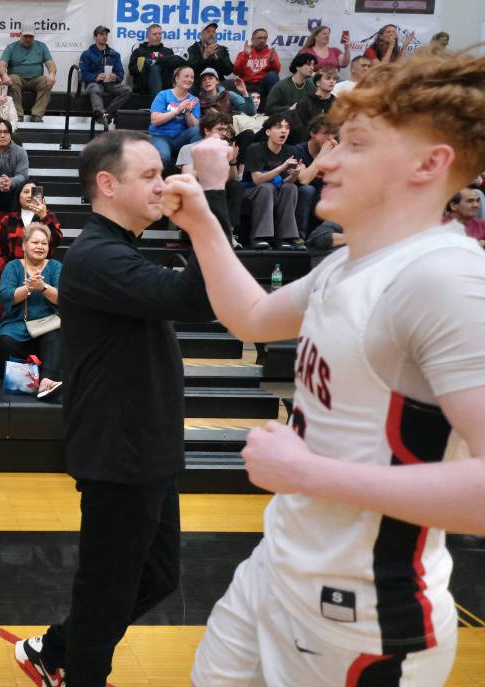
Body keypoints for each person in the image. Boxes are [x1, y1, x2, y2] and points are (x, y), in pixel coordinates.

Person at [167, 50, 485, 686]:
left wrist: (312, 472)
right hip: (277, 569)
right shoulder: (350, 263)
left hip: (364, 621)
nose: (329, 160)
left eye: (356, 145)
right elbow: (252, 317)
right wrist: (204, 215)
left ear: (430, 163)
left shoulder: (444, 279)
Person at [13, 129, 221, 687]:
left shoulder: (119, 249)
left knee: (156, 578)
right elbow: (199, 301)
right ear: (107, 184)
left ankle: (54, 647)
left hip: (147, 448)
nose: (162, 185)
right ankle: (76, 670)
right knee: (106, 592)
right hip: (118, 452)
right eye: (149, 175)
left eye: (163, 174)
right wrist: (211, 199)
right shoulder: (97, 256)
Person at [0, 222, 62, 397]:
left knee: (55, 337)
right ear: (24, 245)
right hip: (17, 322)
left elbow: (63, 298)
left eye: (44, 243)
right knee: (7, 340)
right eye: (35, 242)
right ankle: (17, 385)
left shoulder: (55, 266)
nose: (40, 247)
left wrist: (42, 287)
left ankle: (47, 382)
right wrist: (27, 288)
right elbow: (5, 295)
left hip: (47, 322)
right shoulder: (13, 266)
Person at [177, 110, 244, 245]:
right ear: (207, 131)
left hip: (218, 189)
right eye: (220, 129)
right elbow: (188, 177)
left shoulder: (226, 149)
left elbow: (234, 178)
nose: (224, 133)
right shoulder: (189, 149)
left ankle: (228, 233)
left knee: (236, 186)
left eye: (226, 129)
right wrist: (211, 167)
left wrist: (231, 162)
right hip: (199, 190)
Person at [242, 113, 305, 249]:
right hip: (250, 192)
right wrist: (282, 167)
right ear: (268, 132)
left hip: (274, 192)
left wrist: (295, 175)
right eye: (278, 127)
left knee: (291, 188)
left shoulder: (291, 150)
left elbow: (285, 183)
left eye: (287, 128)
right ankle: (260, 237)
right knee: (267, 188)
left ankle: (287, 238)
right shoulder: (255, 148)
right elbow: (257, 179)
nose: (284, 131)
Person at [0, 180, 62, 273]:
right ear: (18, 196)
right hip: (14, 273)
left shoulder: (49, 217)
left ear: (41, 197)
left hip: (42, 273)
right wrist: (8, 271)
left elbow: (57, 241)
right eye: (26, 192)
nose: (29, 195)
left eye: (33, 192)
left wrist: (44, 216)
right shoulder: (7, 220)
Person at [293, 113, 338, 237]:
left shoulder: (334, 151)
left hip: (324, 194)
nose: (330, 138)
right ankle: (299, 237)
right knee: (308, 190)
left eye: (333, 134)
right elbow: (304, 180)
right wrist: (322, 154)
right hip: (301, 194)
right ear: (313, 133)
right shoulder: (298, 150)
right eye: (325, 134)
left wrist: (340, 156)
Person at [0, 30, 57, 123]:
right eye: (26, 36)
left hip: (36, 78)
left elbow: (50, 64)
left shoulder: (41, 46)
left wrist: (52, 74)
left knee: (46, 82)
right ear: (21, 35)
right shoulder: (11, 47)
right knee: (12, 79)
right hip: (17, 78)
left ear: (34, 36)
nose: (28, 39)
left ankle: (37, 115)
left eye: (31, 37)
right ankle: (17, 115)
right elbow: (2, 64)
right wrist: (4, 75)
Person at [148, 65, 201, 167]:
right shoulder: (163, 95)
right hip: (160, 136)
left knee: (199, 129)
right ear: (177, 78)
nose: (189, 79)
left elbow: (194, 127)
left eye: (192, 77)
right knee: (164, 157)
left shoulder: (193, 100)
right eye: (186, 76)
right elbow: (155, 120)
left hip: (180, 138)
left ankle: (187, 163)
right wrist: (177, 110)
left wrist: (187, 113)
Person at [79, 25, 131, 127]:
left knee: (127, 90)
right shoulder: (87, 54)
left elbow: (120, 73)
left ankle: (106, 114)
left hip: (110, 84)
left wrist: (115, 77)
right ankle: (99, 113)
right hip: (94, 83)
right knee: (95, 88)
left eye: (106, 34)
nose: (104, 36)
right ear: (95, 37)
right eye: (101, 34)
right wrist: (95, 77)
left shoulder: (114, 54)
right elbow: (83, 74)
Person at [128, 24, 182, 96]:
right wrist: (144, 65)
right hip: (144, 86)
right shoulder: (139, 51)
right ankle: (158, 101)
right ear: (148, 36)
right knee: (155, 68)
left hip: (165, 86)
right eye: (154, 34)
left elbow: (174, 71)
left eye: (159, 34)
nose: (157, 36)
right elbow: (132, 70)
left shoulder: (168, 52)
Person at [233, 28, 280, 103]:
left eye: (265, 38)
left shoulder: (270, 53)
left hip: (262, 85)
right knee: (233, 83)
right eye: (259, 38)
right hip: (246, 85)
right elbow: (236, 71)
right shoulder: (243, 53)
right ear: (252, 40)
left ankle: (273, 104)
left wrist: (272, 61)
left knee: (272, 75)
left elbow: (276, 72)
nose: (262, 40)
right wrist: (246, 56)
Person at [291, 68, 337, 144]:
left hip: (332, 142)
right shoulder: (306, 102)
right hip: (309, 143)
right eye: (328, 78)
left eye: (334, 79)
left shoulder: (338, 103)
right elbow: (300, 128)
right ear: (318, 83)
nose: (332, 81)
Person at [264, 52, 316, 117]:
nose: (312, 68)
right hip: (283, 121)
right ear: (297, 66)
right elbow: (270, 108)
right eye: (308, 64)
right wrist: (289, 109)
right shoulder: (281, 86)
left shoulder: (311, 87)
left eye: (313, 65)